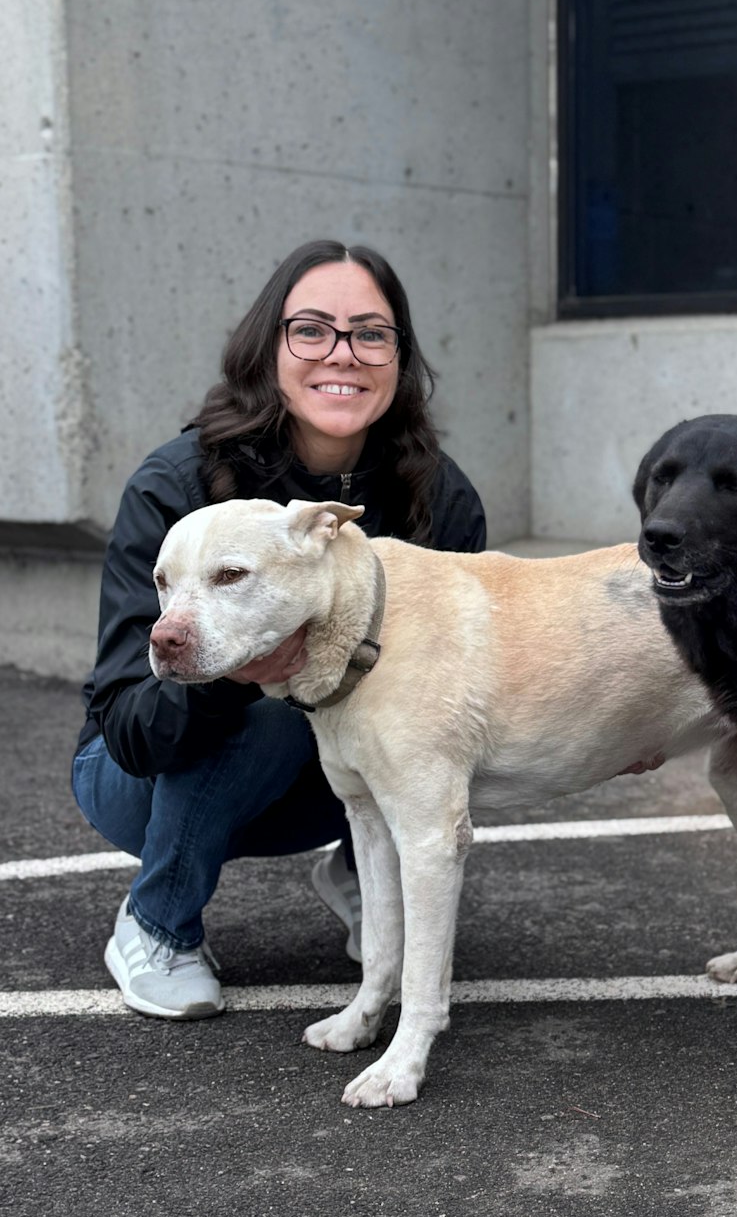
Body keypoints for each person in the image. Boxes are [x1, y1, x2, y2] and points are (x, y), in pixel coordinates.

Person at [72, 240, 487, 1020]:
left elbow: (453, 696)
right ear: (268, 349)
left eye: (370, 333)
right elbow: (126, 728)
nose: (343, 354)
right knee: (274, 706)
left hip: (328, 777)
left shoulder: (436, 494)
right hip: (140, 773)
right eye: (311, 330)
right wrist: (229, 671)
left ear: (399, 357)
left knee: (429, 714)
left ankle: (367, 881)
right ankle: (158, 925)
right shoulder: (178, 486)